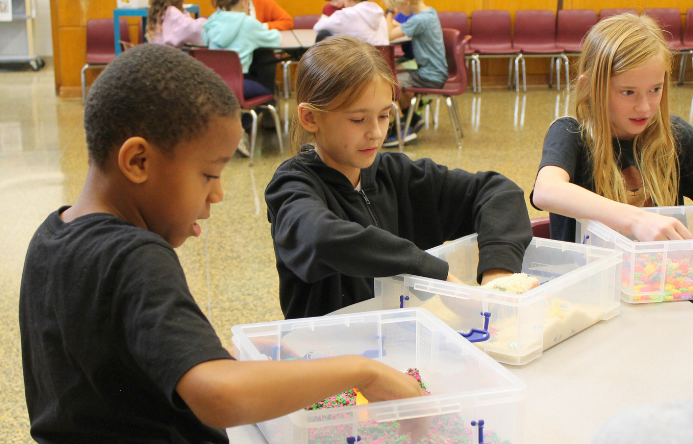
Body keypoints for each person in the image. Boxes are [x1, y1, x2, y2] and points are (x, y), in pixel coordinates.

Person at [19, 43, 426, 444]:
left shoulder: (51, 235)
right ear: (138, 162)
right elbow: (218, 397)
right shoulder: (136, 256)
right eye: (209, 175)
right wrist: (363, 372)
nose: (217, 196)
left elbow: (118, 367)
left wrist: (223, 358)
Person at [265, 36, 532, 319]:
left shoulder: (396, 174)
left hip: (398, 340)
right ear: (310, 118)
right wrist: (431, 271)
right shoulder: (291, 186)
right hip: (325, 351)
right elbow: (321, 237)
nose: (377, 133)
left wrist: (496, 276)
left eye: (384, 115)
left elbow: (497, 192)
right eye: (358, 119)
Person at [532, 13, 693, 243]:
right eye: (628, 92)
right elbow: (546, 191)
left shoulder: (675, 136)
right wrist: (636, 220)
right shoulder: (571, 134)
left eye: (655, 89)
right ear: (590, 87)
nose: (644, 107)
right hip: (588, 276)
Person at [203, 0, 282, 156]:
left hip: (212, 84)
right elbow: (275, 40)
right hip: (240, 84)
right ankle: (238, 129)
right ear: (243, 2)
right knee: (267, 93)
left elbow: (204, 41)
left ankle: (229, 129)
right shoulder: (247, 23)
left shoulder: (211, 22)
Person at [383, 0, 448, 147]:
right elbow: (401, 27)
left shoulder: (420, 19)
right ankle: (412, 119)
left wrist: (388, 13)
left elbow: (389, 35)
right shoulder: (429, 12)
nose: (397, 11)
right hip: (434, 72)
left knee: (387, 82)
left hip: (430, 76)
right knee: (395, 71)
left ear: (406, 3)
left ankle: (401, 129)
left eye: (397, 7)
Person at [313, 0, 389, 46]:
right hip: (384, 63)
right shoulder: (379, 12)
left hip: (361, 66)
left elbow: (318, 27)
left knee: (323, 35)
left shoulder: (347, 14)